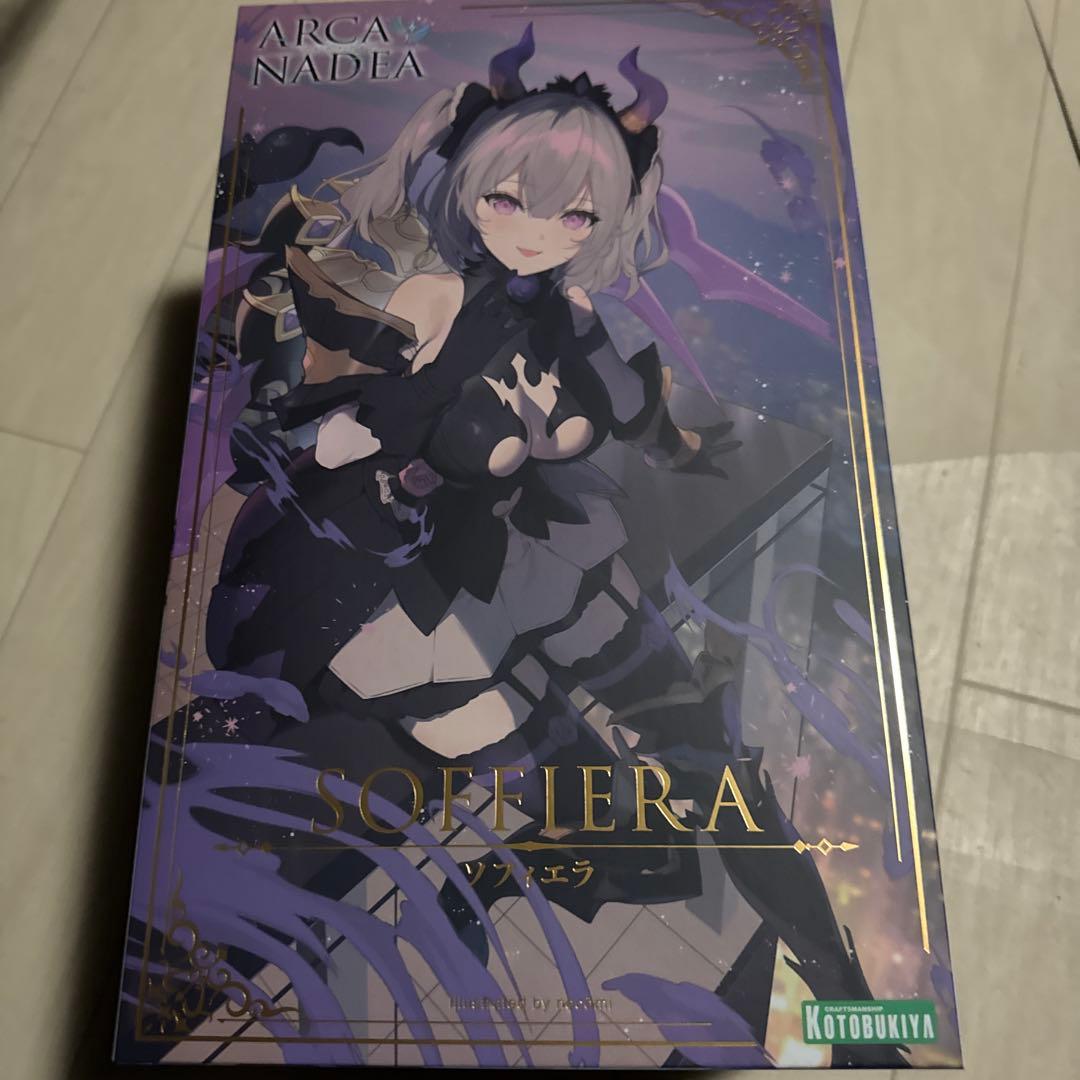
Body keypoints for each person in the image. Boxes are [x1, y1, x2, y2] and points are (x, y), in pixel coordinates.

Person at [206, 26, 904, 1065]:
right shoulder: (424, 301)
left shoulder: (567, 312)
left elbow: (626, 406)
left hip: (555, 563)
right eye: (511, 200)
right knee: (606, 821)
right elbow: (311, 415)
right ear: (471, 186)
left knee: (718, 775)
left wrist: (668, 437)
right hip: (433, 606)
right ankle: (528, 866)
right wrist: (357, 443)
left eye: (575, 214)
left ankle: (852, 1007)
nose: (539, 231)